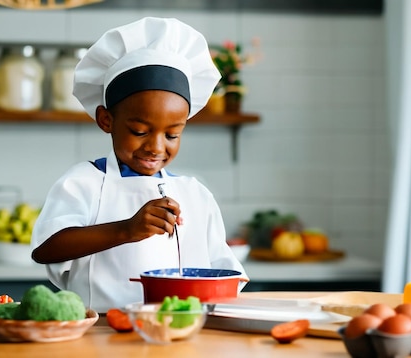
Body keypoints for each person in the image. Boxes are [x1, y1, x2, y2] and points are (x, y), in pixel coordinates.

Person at [31, 17, 248, 312]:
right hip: (101, 332)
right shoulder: (84, 181)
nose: (156, 147)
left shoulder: (195, 194)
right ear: (106, 120)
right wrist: (127, 230)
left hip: (180, 333)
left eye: (172, 134)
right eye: (140, 131)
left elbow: (225, 273)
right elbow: (46, 249)